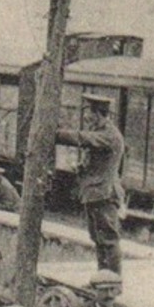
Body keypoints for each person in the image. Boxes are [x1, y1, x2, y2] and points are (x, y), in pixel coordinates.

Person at [62, 92, 126, 273]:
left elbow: (83, 139)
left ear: (99, 114)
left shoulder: (110, 135)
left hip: (103, 194)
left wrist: (55, 134)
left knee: (108, 240)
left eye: (89, 113)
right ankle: (103, 279)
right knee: (99, 238)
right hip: (96, 193)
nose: (86, 117)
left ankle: (113, 281)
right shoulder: (102, 132)